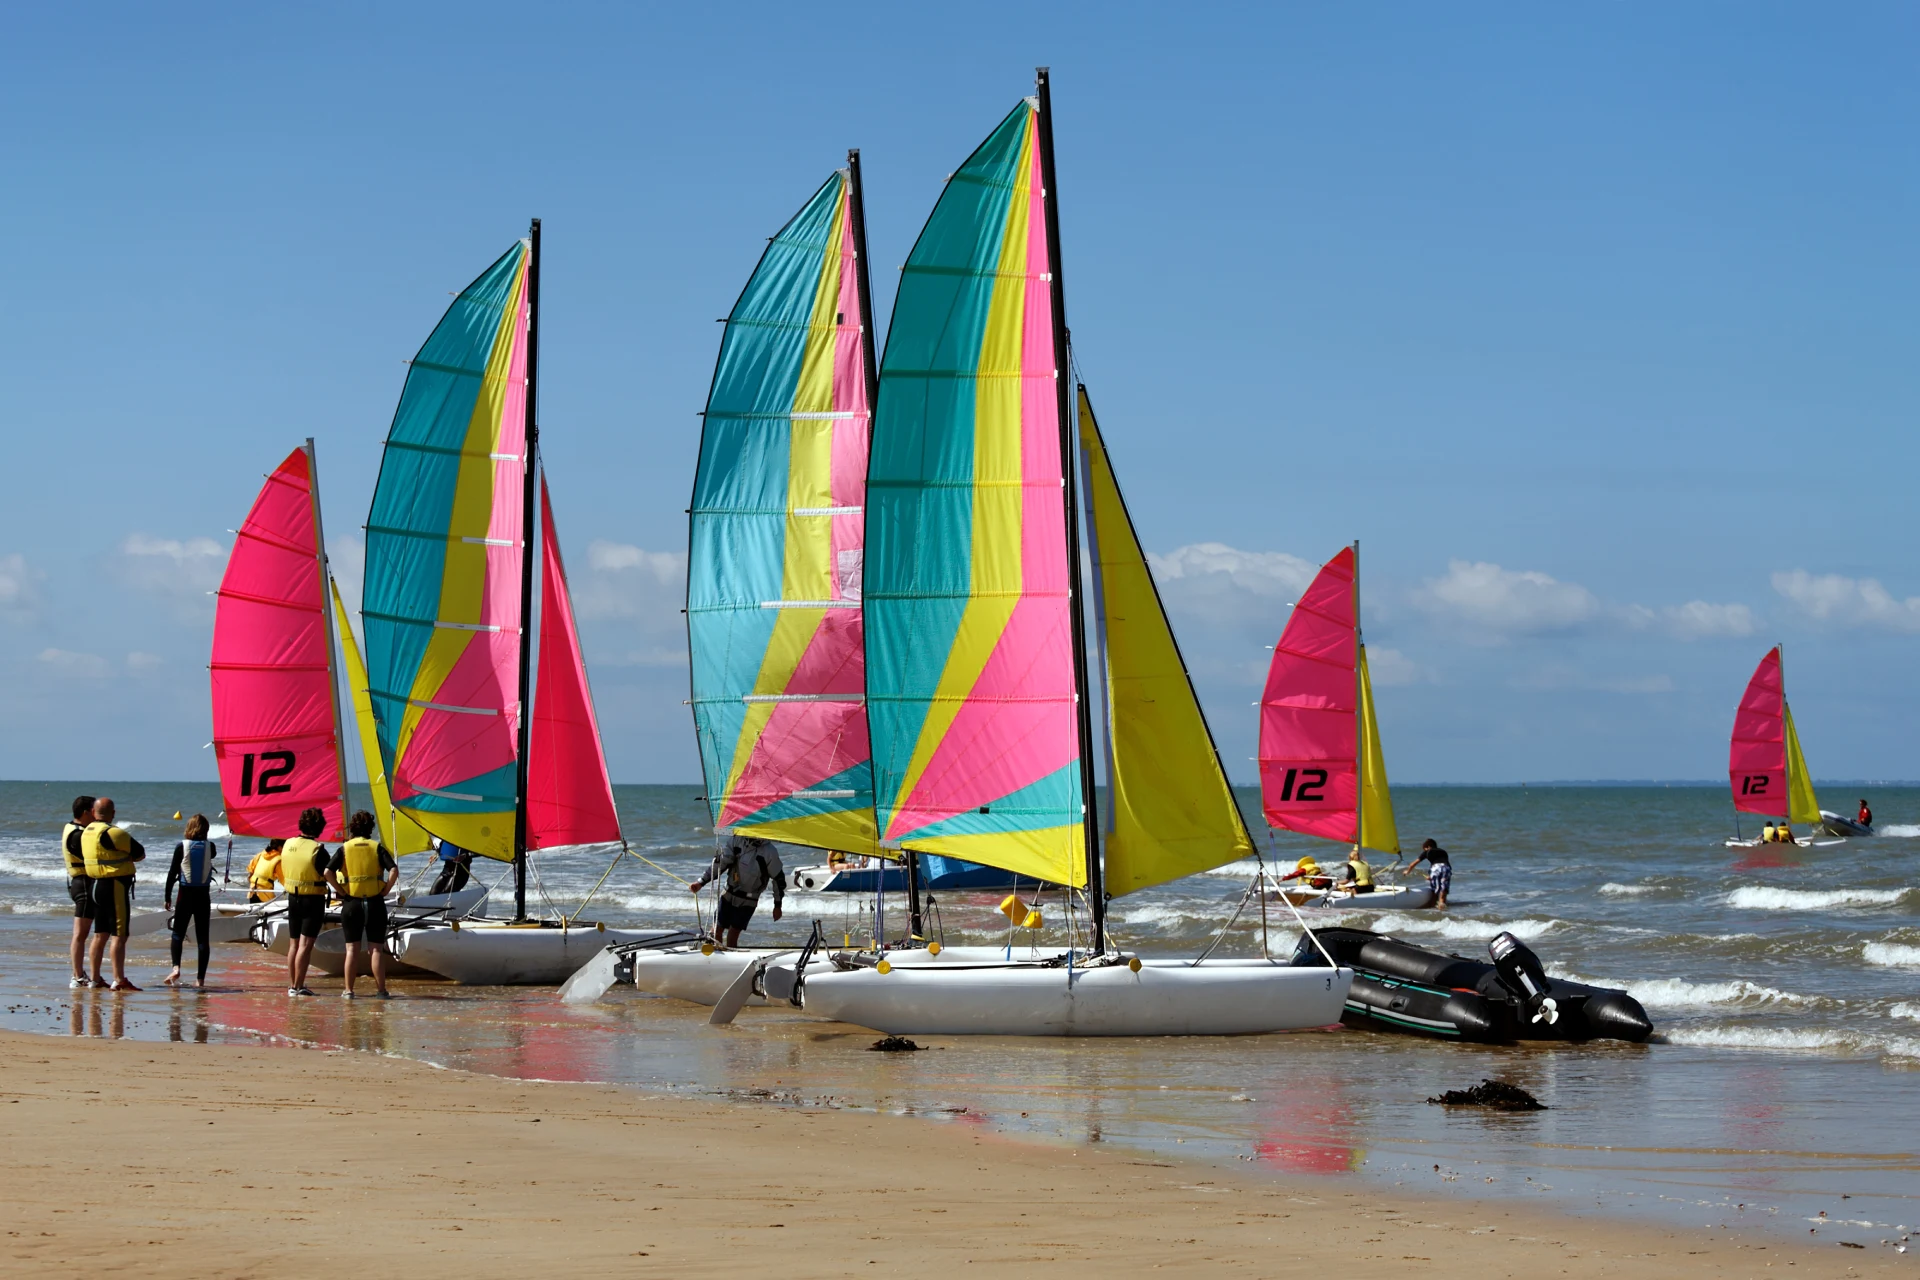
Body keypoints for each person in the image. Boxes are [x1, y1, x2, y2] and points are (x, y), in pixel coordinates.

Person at [323, 810, 399, 999]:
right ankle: (381, 991)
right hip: (375, 903)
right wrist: (387, 889)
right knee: (376, 949)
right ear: (370, 829)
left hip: (352, 903)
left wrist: (340, 891)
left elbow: (327, 872)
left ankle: (348, 991)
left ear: (353, 829)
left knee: (352, 949)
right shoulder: (377, 847)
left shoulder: (344, 849)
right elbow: (394, 870)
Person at [81, 797, 145, 991]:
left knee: (100, 934)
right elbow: (140, 853)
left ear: (93, 812)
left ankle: (95, 978)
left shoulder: (86, 832)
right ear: (113, 813)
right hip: (114, 886)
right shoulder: (114, 833)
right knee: (119, 934)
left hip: (94, 886)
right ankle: (119, 979)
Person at [690, 834, 785, 948]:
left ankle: (730, 961)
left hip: (749, 900)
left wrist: (777, 906)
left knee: (732, 935)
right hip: (728, 894)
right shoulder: (737, 840)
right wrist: (701, 882)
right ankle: (716, 956)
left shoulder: (770, 851)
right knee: (716, 930)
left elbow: (778, 879)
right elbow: (721, 864)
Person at [279, 808, 331, 996]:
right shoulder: (318, 850)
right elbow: (328, 873)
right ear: (318, 828)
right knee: (305, 945)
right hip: (312, 900)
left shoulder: (288, 844)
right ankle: (298, 987)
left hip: (293, 898)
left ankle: (293, 984)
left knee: (294, 945)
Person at [163, 815, 218, 988]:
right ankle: (200, 980)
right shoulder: (212, 847)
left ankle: (176, 968)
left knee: (177, 934)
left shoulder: (182, 846)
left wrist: (167, 897)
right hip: (203, 897)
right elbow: (210, 856)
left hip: (185, 896)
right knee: (203, 939)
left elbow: (172, 874)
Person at [61, 796, 97, 989]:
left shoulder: (75, 829)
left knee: (84, 933)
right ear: (85, 812)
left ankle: (81, 974)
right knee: (80, 934)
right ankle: (77, 976)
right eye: (94, 810)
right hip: (82, 884)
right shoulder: (77, 835)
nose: (96, 814)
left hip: (83, 883)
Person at [1407, 838, 1452, 909]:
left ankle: (1432, 907)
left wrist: (1407, 871)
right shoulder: (1443, 851)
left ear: (1428, 847)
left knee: (1435, 892)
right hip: (1446, 868)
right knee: (1443, 889)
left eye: (1424, 849)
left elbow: (1412, 864)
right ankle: (1442, 904)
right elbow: (1444, 865)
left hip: (1435, 868)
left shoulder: (1427, 851)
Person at [246, 838, 283, 903]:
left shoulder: (260, 855)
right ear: (280, 847)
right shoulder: (278, 860)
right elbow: (283, 880)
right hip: (265, 893)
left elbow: (250, 869)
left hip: (252, 890)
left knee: (254, 911)